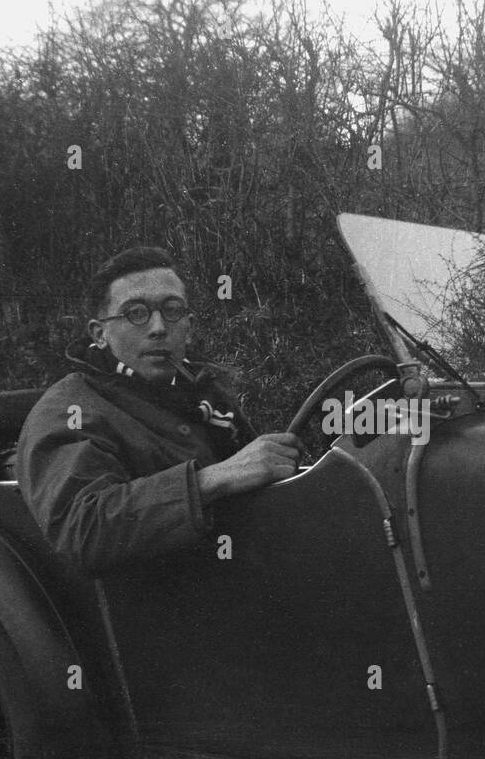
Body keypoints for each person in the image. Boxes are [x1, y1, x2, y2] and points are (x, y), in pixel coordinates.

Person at [16, 247, 302, 577]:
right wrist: (212, 480)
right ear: (100, 334)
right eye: (136, 313)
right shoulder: (71, 409)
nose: (158, 327)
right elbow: (83, 530)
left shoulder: (205, 394)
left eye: (172, 310)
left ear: (189, 325)